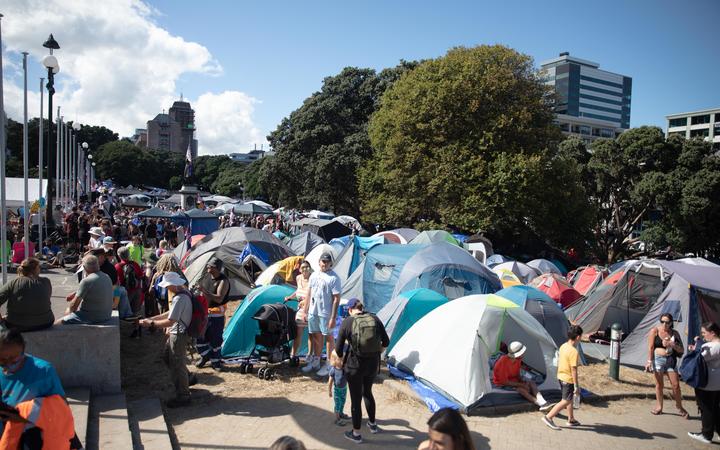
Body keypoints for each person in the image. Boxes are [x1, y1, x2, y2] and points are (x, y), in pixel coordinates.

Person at [0, 329, 78, 448]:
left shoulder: (44, 371)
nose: (9, 365)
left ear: (23, 349)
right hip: (9, 433)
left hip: (37, 435)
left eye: (14, 359)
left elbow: (61, 409)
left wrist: (24, 416)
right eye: (3, 361)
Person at [335, 298, 389, 444]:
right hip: (372, 364)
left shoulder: (348, 322)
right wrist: (377, 352)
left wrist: (340, 360)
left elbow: (338, 349)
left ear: (351, 309)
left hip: (354, 367)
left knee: (356, 399)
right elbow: (386, 341)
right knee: (368, 393)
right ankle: (372, 425)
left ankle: (356, 434)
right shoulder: (375, 318)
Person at [138, 272, 193, 407]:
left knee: (176, 363)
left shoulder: (179, 298)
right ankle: (186, 381)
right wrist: (152, 319)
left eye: (168, 286)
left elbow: (171, 321)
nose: (167, 288)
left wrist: (151, 324)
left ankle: (183, 395)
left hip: (178, 334)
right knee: (169, 358)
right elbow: (170, 314)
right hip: (179, 332)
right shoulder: (184, 294)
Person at [303, 253, 341, 376]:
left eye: (327, 262)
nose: (324, 264)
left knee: (329, 337)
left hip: (326, 313)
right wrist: (305, 310)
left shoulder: (334, 278)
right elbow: (309, 293)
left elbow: (336, 299)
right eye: (322, 261)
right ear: (319, 262)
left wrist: (333, 317)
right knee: (316, 336)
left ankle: (329, 363)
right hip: (313, 311)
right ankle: (316, 360)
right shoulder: (313, 275)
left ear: (331, 263)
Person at [644, 313, 688, 418]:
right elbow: (650, 347)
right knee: (659, 385)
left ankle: (679, 406)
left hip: (670, 360)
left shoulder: (675, 333)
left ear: (671, 323)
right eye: (662, 321)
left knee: (676, 385)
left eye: (667, 322)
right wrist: (649, 361)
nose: (664, 324)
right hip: (658, 360)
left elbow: (682, 350)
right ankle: (659, 406)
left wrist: (672, 344)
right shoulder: (655, 331)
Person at [542, 325, 583, 430]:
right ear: (578, 337)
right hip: (568, 379)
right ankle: (549, 417)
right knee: (565, 401)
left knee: (568, 399)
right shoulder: (574, 352)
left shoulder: (563, 346)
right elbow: (574, 370)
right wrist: (576, 386)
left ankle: (571, 419)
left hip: (560, 376)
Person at [492, 341, 551, 411]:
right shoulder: (502, 362)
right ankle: (539, 403)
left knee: (531, 383)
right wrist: (521, 385)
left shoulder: (518, 359)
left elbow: (516, 373)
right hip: (502, 383)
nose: (523, 353)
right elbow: (504, 382)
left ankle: (543, 401)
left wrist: (522, 381)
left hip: (513, 380)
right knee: (521, 389)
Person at [56, 254, 113, 325]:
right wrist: (76, 293)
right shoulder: (106, 276)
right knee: (68, 313)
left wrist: (69, 314)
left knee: (58, 323)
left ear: (84, 267)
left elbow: (73, 306)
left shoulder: (86, 281)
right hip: (106, 315)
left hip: (91, 317)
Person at [0, 258, 54, 332]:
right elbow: (45, 299)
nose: (40, 269)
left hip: (16, 324)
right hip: (46, 323)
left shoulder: (14, 282)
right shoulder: (46, 281)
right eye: (39, 267)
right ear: (35, 269)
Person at [688, 322, 720, 444]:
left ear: (712, 333)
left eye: (704, 333)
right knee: (715, 409)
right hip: (716, 383)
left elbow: (700, 358)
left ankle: (706, 435)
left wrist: (697, 346)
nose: (702, 335)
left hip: (708, 383)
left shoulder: (713, 346)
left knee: (706, 408)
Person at [196, 258, 230, 370]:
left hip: (216, 314)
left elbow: (219, 299)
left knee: (215, 338)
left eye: (209, 266)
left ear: (215, 268)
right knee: (200, 336)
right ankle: (205, 356)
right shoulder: (206, 277)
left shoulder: (223, 281)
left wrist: (204, 290)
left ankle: (215, 362)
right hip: (204, 311)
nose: (207, 267)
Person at [284, 260, 311, 359]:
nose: (305, 269)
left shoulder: (313, 279)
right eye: (303, 267)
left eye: (307, 267)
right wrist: (290, 297)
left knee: (311, 334)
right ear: (300, 269)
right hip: (300, 309)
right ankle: (293, 354)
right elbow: (298, 290)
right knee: (298, 333)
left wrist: (306, 302)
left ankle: (310, 356)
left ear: (310, 268)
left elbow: (313, 294)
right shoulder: (298, 278)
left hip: (310, 308)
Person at [116, 246, 145, 316]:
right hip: (137, 290)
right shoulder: (134, 264)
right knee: (136, 312)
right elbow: (141, 276)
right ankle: (136, 326)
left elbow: (117, 281)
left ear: (119, 256)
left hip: (125, 292)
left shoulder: (118, 266)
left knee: (125, 313)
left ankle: (127, 326)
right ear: (129, 254)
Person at [328, 350, 350, 426]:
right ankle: (337, 419)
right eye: (340, 359)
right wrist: (329, 391)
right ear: (334, 361)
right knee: (337, 404)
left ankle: (341, 413)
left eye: (343, 359)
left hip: (344, 389)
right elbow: (330, 381)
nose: (342, 361)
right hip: (337, 390)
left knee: (343, 402)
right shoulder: (333, 370)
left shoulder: (345, 369)